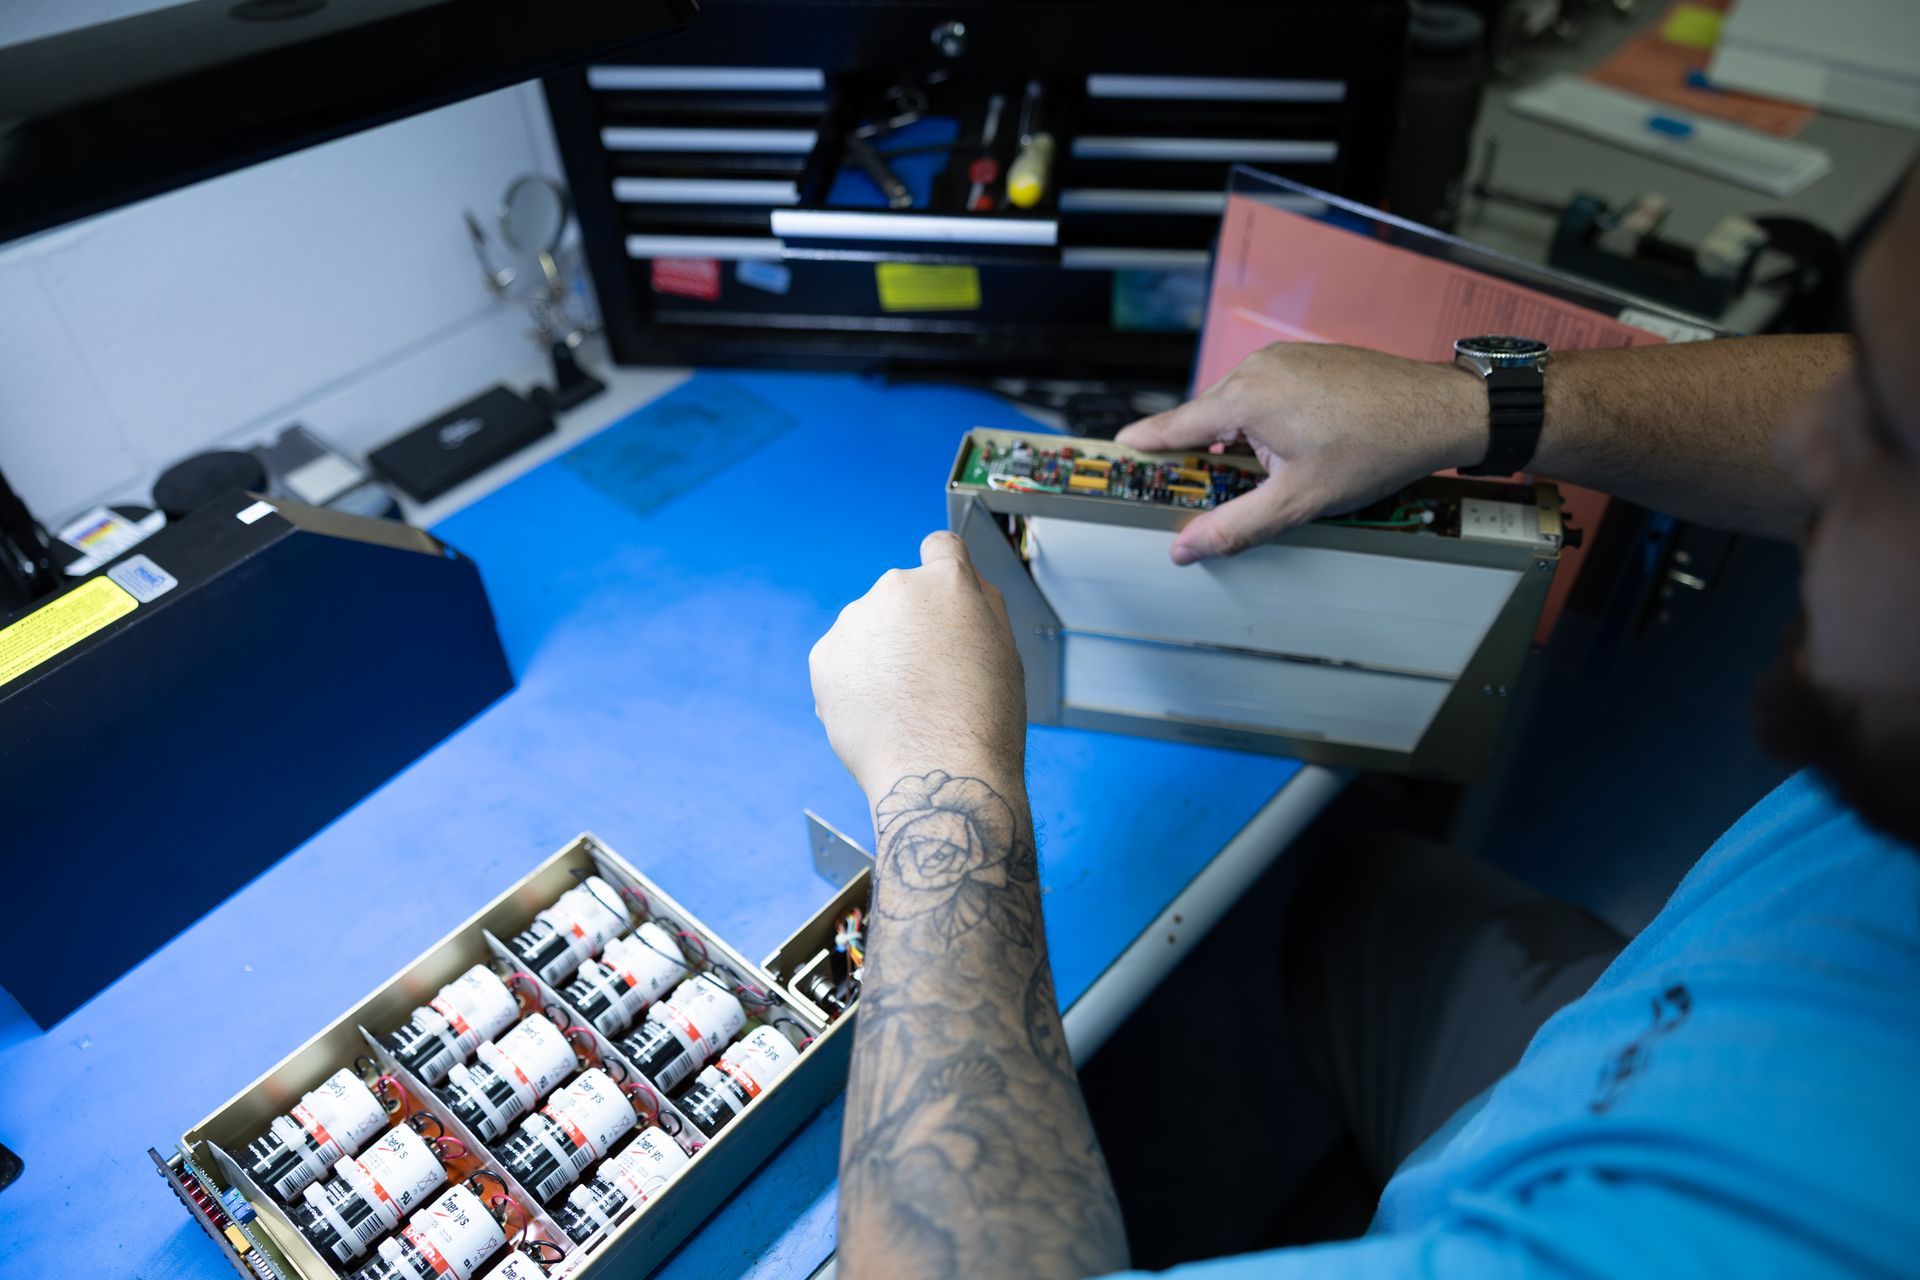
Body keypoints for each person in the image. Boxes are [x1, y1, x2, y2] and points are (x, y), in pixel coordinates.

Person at [807, 169, 1920, 1279]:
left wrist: (942, 771)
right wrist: (1484, 406)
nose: (1816, 456)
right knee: (1348, 895)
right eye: (1866, 374)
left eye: (1885, 441)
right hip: (1674, 1017)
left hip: (1622, 1150)